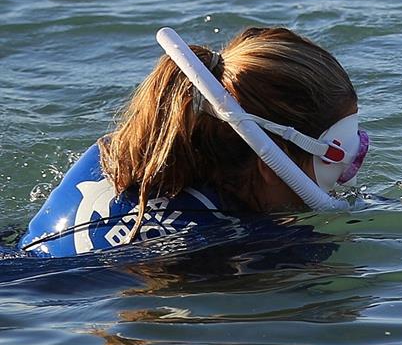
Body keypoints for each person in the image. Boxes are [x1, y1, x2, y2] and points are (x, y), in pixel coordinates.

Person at [20, 26, 368, 258]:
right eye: (340, 149)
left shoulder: (116, 155)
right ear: (271, 165)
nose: (354, 160)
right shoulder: (251, 248)